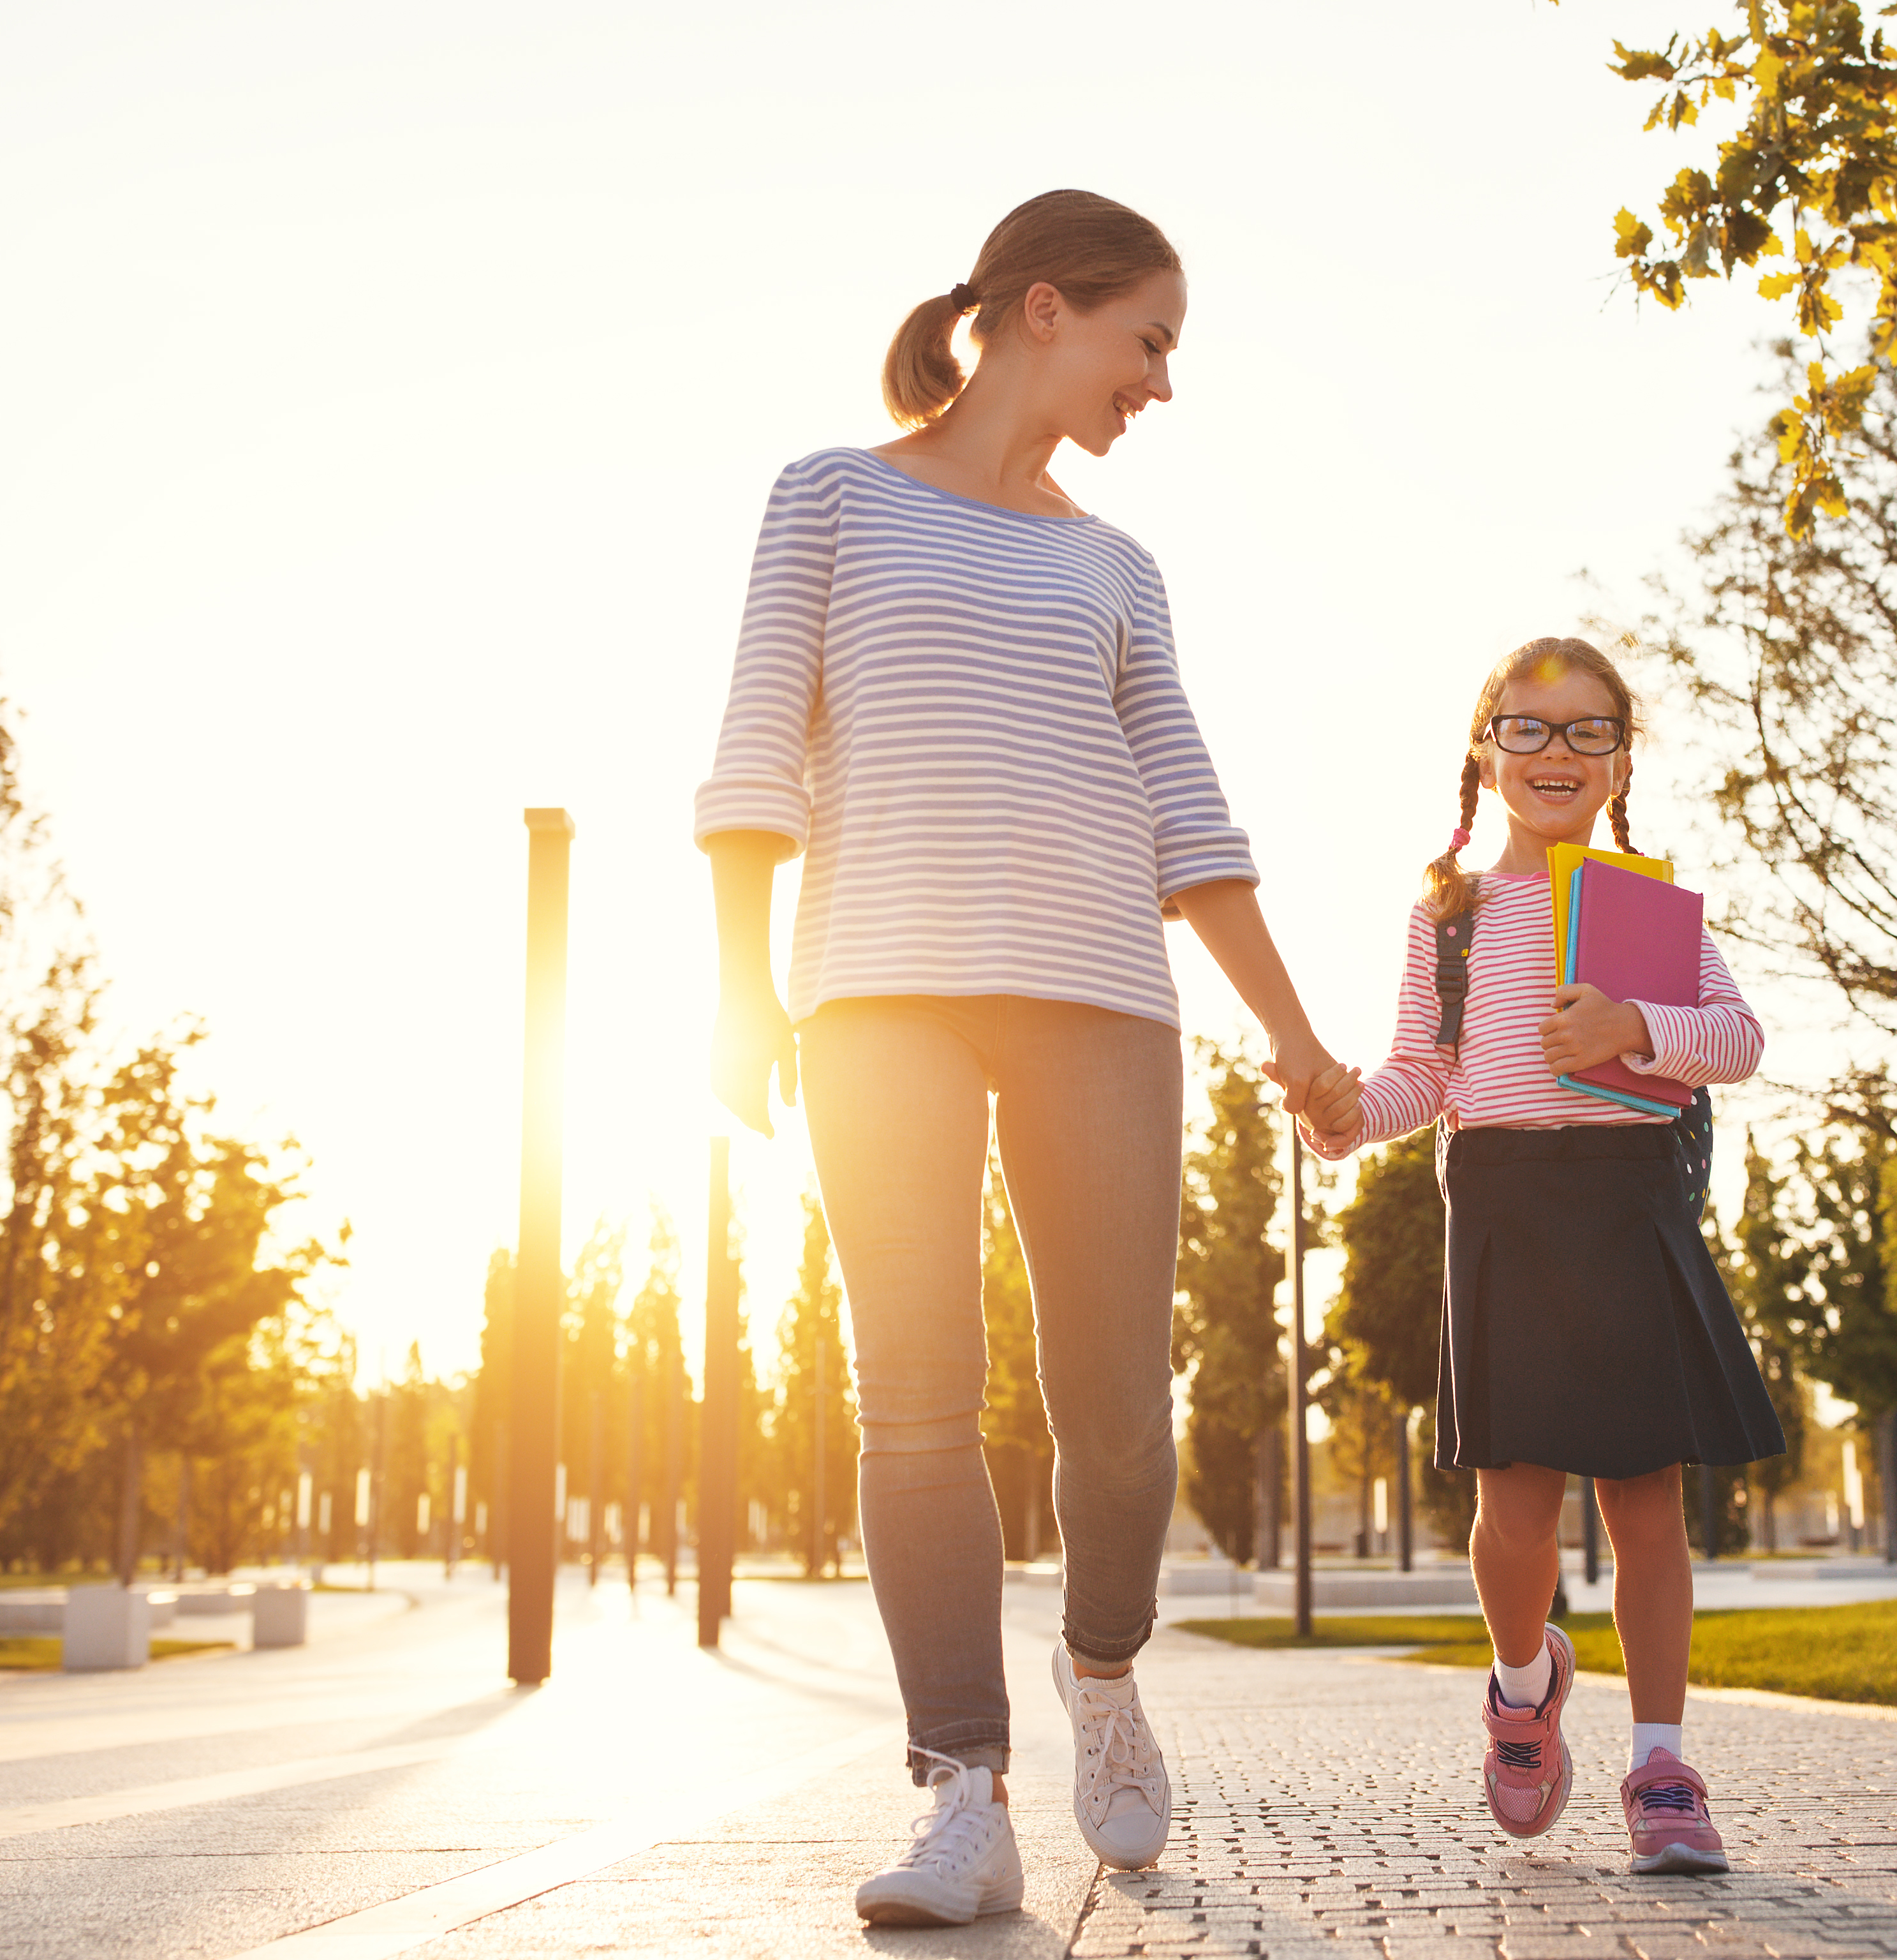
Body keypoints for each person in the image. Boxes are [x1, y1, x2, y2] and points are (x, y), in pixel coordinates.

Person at [695, 189, 1348, 1928]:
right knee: (914, 1398)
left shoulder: (1114, 566)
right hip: (876, 997)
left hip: (1098, 1002)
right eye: (1151, 342)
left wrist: (1292, 1039)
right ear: (1043, 311)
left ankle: (1104, 1671)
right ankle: (961, 1790)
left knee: (1116, 1412)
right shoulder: (827, 496)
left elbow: (1190, 819)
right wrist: (731, 987)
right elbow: (756, 747)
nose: (1161, 383)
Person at [1294, 636, 1781, 1877]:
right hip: (1503, 1205)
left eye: (1586, 730)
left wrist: (1636, 1027)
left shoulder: (1649, 908)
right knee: (1510, 1511)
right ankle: (1525, 1684)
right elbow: (1425, 1075)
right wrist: (1351, 1116)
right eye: (1529, 727)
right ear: (1485, 749)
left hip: (1629, 1204)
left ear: (1622, 757)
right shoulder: (1448, 916)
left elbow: (1735, 1039)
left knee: (1646, 1503)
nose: (1556, 752)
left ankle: (1662, 1767)